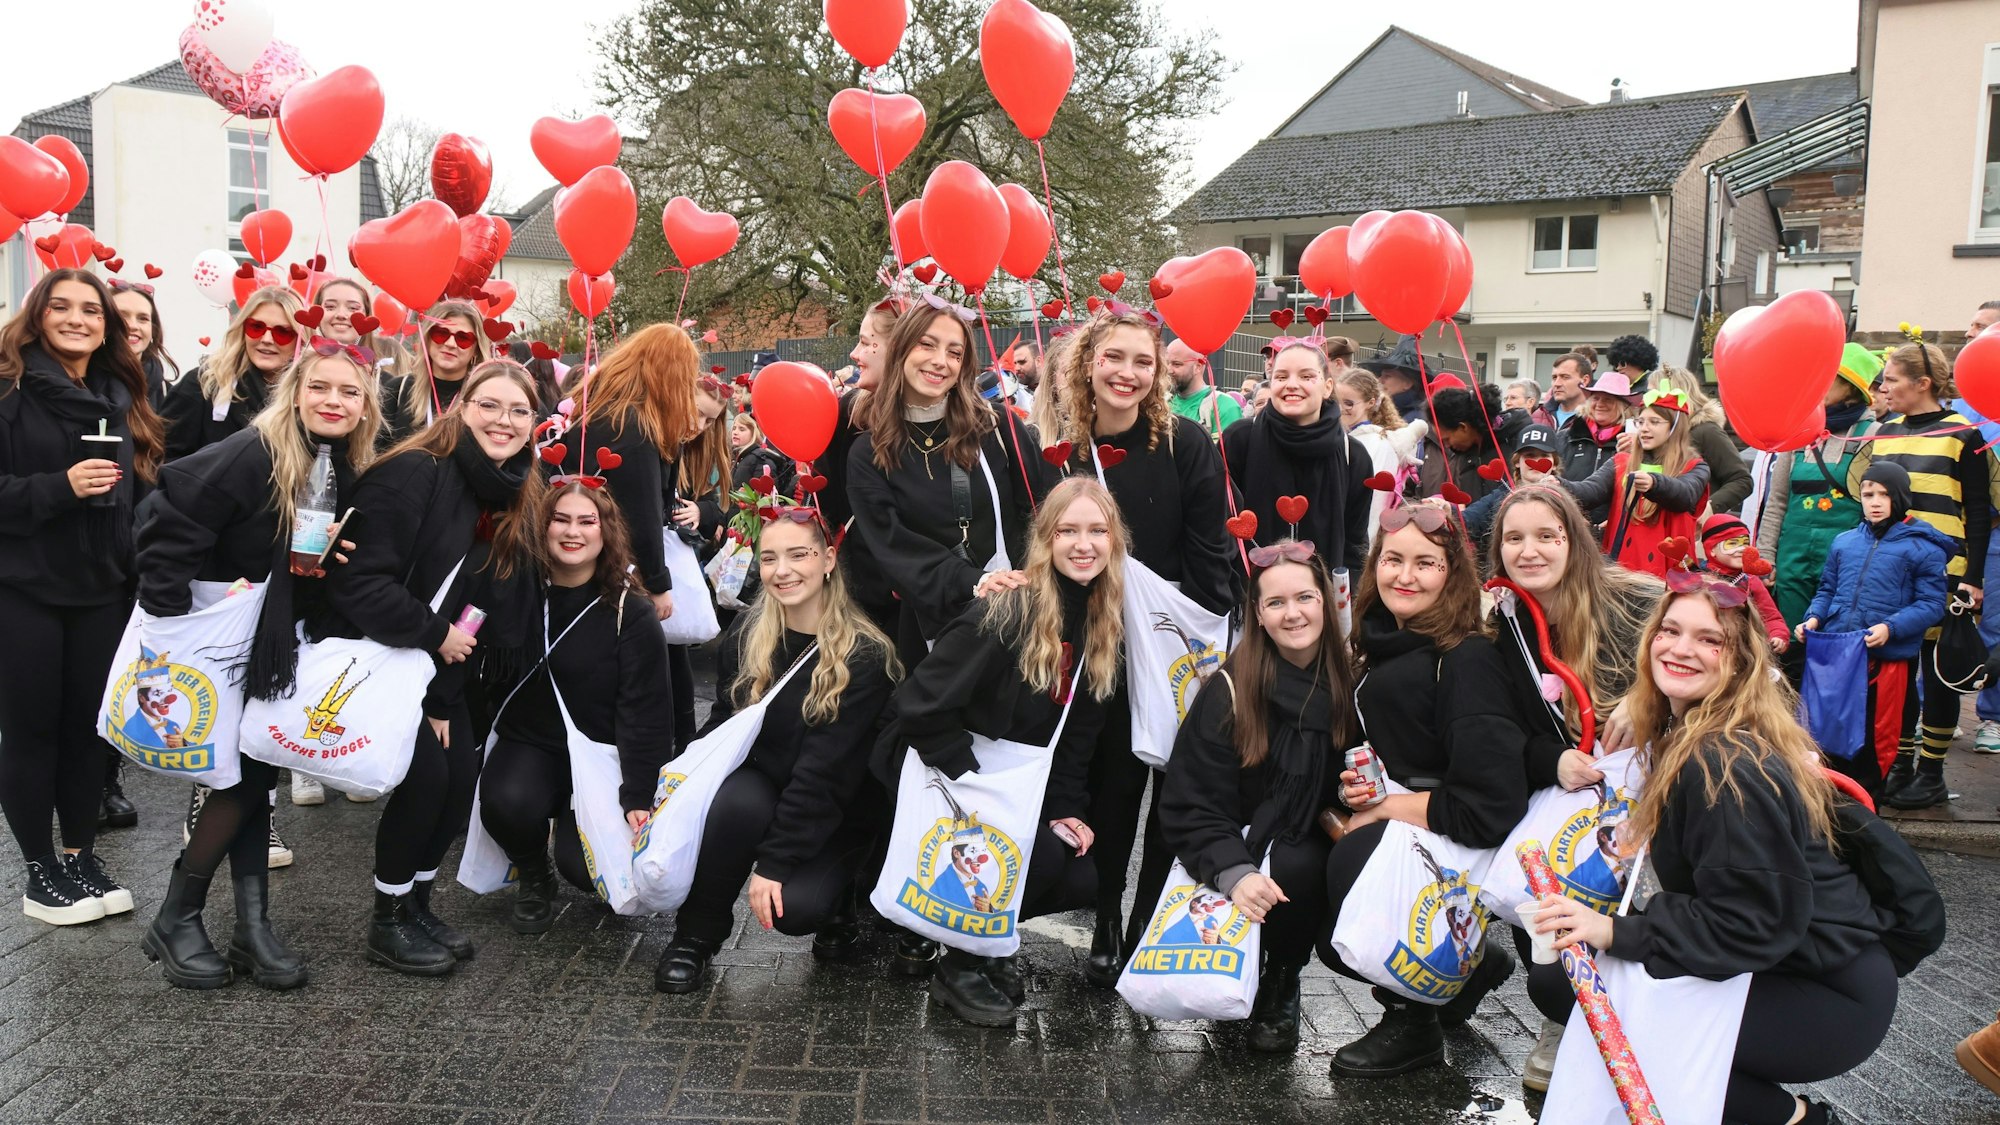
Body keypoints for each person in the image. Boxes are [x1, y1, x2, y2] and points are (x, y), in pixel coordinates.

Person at [1534, 581, 1899, 1125]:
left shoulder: (1722, 762)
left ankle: (1800, 1120)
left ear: (1740, 662)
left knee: (1592, 1002)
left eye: (1710, 640)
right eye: (1670, 630)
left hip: (1826, 993)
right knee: (1567, 985)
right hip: (1790, 962)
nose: (1681, 649)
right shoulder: (1696, 727)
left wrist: (1613, 931)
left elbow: (1747, 921)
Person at [134, 338, 380, 988]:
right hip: (214, 643)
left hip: (270, 639)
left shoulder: (338, 462)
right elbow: (170, 515)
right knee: (239, 781)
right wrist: (172, 631)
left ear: (366, 406)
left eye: (349, 391)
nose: (333, 400)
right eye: (320, 386)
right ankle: (178, 916)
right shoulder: (254, 451)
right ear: (294, 393)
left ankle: (250, 927)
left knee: (256, 775)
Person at [319, 359, 543, 975]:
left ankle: (415, 904)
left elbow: (476, 598)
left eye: (519, 410)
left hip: (439, 665)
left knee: (456, 783)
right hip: (384, 653)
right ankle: (386, 920)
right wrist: (435, 637)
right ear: (462, 407)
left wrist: (443, 688)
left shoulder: (511, 484)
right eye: (489, 405)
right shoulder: (416, 471)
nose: (503, 420)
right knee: (425, 783)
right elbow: (358, 583)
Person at [876, 476, 1123, 1026]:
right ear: (1045, 539)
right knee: (1040, 858)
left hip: (1012, 778)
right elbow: (918, 703)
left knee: (1079, 872)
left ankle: (986, 944)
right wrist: (968, 777)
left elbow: (1075, 735)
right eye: (1068, 531)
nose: (1084, 544)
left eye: (1098, 531)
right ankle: (959, 966)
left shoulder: (1102, 620)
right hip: (952, 769)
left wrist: (1065, 807)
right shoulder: (1008, 609)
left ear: (1115, 540)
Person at [1315, 499, 1530, 1078]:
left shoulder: (1466, 658)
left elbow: (1490, 806)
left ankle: (1414, 1023)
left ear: (1452, 573)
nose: (1404, 576)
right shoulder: (1382, 638)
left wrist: (1383, 809)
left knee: (1348, 896)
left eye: (1425, 563)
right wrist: (1359, 788)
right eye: (1392, 560)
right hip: (1412, 818)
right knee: (1313, 875)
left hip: (1458, 834)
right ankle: (1469, 964)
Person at [1056, 310, 1234, 987]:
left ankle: (1146, 921)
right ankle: (1106, 913)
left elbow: (1210, 548)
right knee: (1113, 785)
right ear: (1088, 363)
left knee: (1171, 789)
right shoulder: (1065, 448)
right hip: (1095, 642)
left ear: (1158, 371)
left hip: (1171, 641)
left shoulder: (1185, 443)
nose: (1127, 373)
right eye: (1114, 358)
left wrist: (1185, 633)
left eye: (1143, 361)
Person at [656, 506, 901, 991]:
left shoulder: (865, 655)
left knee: (795, 910)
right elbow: (723, 723)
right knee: (735, 805)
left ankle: (845, 894)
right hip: (765, 782)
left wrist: (773, 864)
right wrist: (677, 787)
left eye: (798, 555)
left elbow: (824, 774)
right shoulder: (749, 634)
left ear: (828, 560)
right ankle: (696, 934)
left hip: (837, 808)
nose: (781, 570)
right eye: (769, 558)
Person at [1483, 483, 1663, 1089]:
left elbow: (1716, 665)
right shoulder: (1502, 622)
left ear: (1574, 541)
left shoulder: (1638, 599)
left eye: (1546, 536)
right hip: (1567, 791)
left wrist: (1647, 700)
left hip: (1654, 784)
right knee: (1535, 867)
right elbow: (1501, 727)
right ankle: (1564, 1014)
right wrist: (1551, 759)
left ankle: (1641, 1015)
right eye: (1514, 538)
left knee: (1635, 906)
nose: (1529, 551)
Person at [0, 270, 164, 926]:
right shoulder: (9, 390)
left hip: (102, 590)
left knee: (88, 733)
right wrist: (59, 487)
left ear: (106, 326)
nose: (77, 319)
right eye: (61, 307)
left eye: (90, 310)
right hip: (24, 588)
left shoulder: (118, 394)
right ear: (37, 315)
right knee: (32, 732)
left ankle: (80, 857)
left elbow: (141, 494)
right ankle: (40, 872)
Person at [1158, 540, 1359, 1052]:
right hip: (1236, 839)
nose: (1293, 614)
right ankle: (1256, 971)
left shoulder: (1351, 681)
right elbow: (1190, 801)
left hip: (1314, 837)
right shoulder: (1229, 689)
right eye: (1276, 602)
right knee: (1281, 864)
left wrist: (1358, 788)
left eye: (1305, 597)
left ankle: (1283, 976)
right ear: (1258, 615)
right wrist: (1234, 872)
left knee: (1304, 863)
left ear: (1326, 601)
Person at [479, 482, 673, 934]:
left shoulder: (631, 611)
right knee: (504, 801)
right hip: (533, 744)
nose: (573, 532)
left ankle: (570, 846)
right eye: (560, 519)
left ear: (606, 532)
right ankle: (533, 873)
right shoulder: (517, 594)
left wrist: (639, 795)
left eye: (587, 521)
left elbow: (647, 712)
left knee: (584, 870)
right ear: (542, 527)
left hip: (607, 754)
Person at [848, 301, 1053, 668]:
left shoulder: (997, 426)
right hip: (935, 632)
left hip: (1019, 616)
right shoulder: (869, 451)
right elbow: (894, 546)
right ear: (901, 349)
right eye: (927, 345)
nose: (940, 361)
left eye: (954, 353)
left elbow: (1042, 508)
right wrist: (973, 580)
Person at [1849, 339, 2000, 809]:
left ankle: (1931, 772)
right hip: (1893, 571)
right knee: (1898, 670)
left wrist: (1973, 578)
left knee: (1937, 673)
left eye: (1892, 380)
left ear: (1923, 383)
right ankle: (1900, 763)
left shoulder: (1963, 435)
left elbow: (1980, 511)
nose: (1883, 388)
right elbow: (1864, 495)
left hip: (1944, 572)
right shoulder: (1884, 431)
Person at [1798, 463, 1952, 799]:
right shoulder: (1845, 542)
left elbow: (1931, 605)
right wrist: (1814, 618)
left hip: (1884, 661)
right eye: (1868, 494)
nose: (1875, 502)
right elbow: (1827, 589)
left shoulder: (1924, 547)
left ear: (1901, 497)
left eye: (1884, 494)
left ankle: (1867, 804)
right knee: (1826, 733)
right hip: (1839, 654)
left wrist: (1890, 627)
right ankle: (1827, 804)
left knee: (1873, 740)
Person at [1754, 344, 1881, 636]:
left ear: (1851, 389)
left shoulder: (1872, 435)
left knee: (1835, 638)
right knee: (1788, 638)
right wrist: (1765, 555)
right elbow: (1778, 501)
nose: (1817, 387)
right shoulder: (1799, 432)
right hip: (1792, 558)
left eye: (1828, 379)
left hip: (1844, 559)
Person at [1222, 342, 1372, 571]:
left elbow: (1355, 544)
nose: (1292, 385)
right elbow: (1219, 525)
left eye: (1306, 376)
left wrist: (1344, 589)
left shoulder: (1354, 455)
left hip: (1324, 590)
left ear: (1327, 387)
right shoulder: (1239, 439)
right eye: (1281, 377)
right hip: (1251, 587)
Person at [1565, 387, 1710, 577]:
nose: (1644, 428)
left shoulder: (1695, 466)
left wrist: (1654, 484)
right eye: (1640, 422)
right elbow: (1589, 491)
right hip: (1625, 573)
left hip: (1671, 575)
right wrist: (1558, 484)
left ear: (1675, 427)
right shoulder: (1621, 462)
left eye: (1654, 422)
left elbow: (1685, 495)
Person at [160, 285, 304, 459]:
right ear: (242, 329)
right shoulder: (204, 384)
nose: (266, 339)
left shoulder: (312, 394)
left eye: (282, 332)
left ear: (301, 339)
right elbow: (164, 456)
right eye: (256, 327)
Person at [383, 300, 490, 441]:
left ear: (476, 349)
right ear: (427, 338)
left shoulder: (486, 399)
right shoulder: (397, 389)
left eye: (463, 338)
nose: (450, 344)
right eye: (441, 334)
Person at [1654, 366, 1752, 514]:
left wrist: (1709, 508)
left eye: (1653, 394)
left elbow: (1742, 480)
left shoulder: (1706, 431)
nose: (1646, 402)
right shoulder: (1657, 436)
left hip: (1693, 524)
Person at [1557, 366, 1639, 523]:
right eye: (1595, 398)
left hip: (1613, 528)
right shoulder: (1565, 437)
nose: (1600, 404)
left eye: (1608, 399)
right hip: (1568, 524)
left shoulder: (1633, 443)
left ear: (1623, 406)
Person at [1462, 421, 1561, 544]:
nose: (1536, 461)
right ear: (1517, 462)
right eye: (1529, 455)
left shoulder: (1566, 495)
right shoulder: (1501, 495)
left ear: (1555, 463)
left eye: (1544, 455)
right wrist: (1447, 511)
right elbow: (1467, 519)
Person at [1700, 513, 1787, 651]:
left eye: (1745, 543)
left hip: (1741, 649)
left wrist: (1778, 634)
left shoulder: (1751, 580)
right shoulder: (1697, 579)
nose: (1741, 549)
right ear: (1712, 550)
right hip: (1703, 645)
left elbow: (1771, 616)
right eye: (1732, 544)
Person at [1417, 383, 1506, 506]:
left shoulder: (1508, 445)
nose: (1447, 446)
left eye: (1447, 439)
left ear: (1463, 428)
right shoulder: (1463, 455)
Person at [108, 278, 177, 410]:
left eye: (143, 318)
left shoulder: (167, 395)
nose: (133, 326)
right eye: (122, 317)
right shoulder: (82, 383)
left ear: (153, 330)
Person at [1166, 336, 1241, 440]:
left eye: (1176, 364)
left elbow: (1224, 449)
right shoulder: (1162, 403)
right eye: (1166, 363)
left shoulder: (1224, 405)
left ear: (1198, 367)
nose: (1169, 370)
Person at [1359, 335, 1427, 423]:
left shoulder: (1414, 419)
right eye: (1381, 375)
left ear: (1407, 384)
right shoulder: (1382, 410)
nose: (1380, 380)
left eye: (1387, 376)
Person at [1532, 347, 1594, 430]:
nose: (1557, 384)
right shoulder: (1539, 415)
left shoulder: (1596, 417)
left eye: (1565, 377)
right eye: (1554, 377)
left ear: (1585, 380)